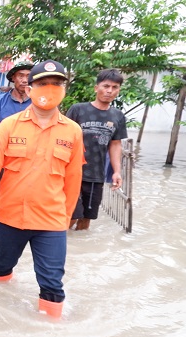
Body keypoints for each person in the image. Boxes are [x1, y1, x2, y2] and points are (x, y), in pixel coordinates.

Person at [0, 60, 84, 318]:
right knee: (2, 269)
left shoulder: (72, 132)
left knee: (52, 284)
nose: (49, 88)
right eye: (43, 83)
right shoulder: (9, 126)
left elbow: (73, 182)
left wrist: (64, 220)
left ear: (64, 89)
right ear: (30, 88)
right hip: (10, 217)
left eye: (56, 83)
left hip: (51, 221)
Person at [67, 69, 128, 230]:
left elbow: (115, 144)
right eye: (106, 86)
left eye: (114, 87)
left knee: (86, 218)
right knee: (71, 216)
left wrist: (116, 172)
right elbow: (63, 137)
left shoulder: (118, 116)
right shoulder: (78, 109)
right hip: (72, 172)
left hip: (96, 175)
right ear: (96, 88)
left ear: (118, 90)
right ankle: (61, 247)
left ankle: (79, 249)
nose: (109, 91)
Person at [0, 61, 34, 145]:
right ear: (13, 78)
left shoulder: (38, 102)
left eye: (28, 76)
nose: (25, 80)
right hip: (5, 151)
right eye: (20, 76)